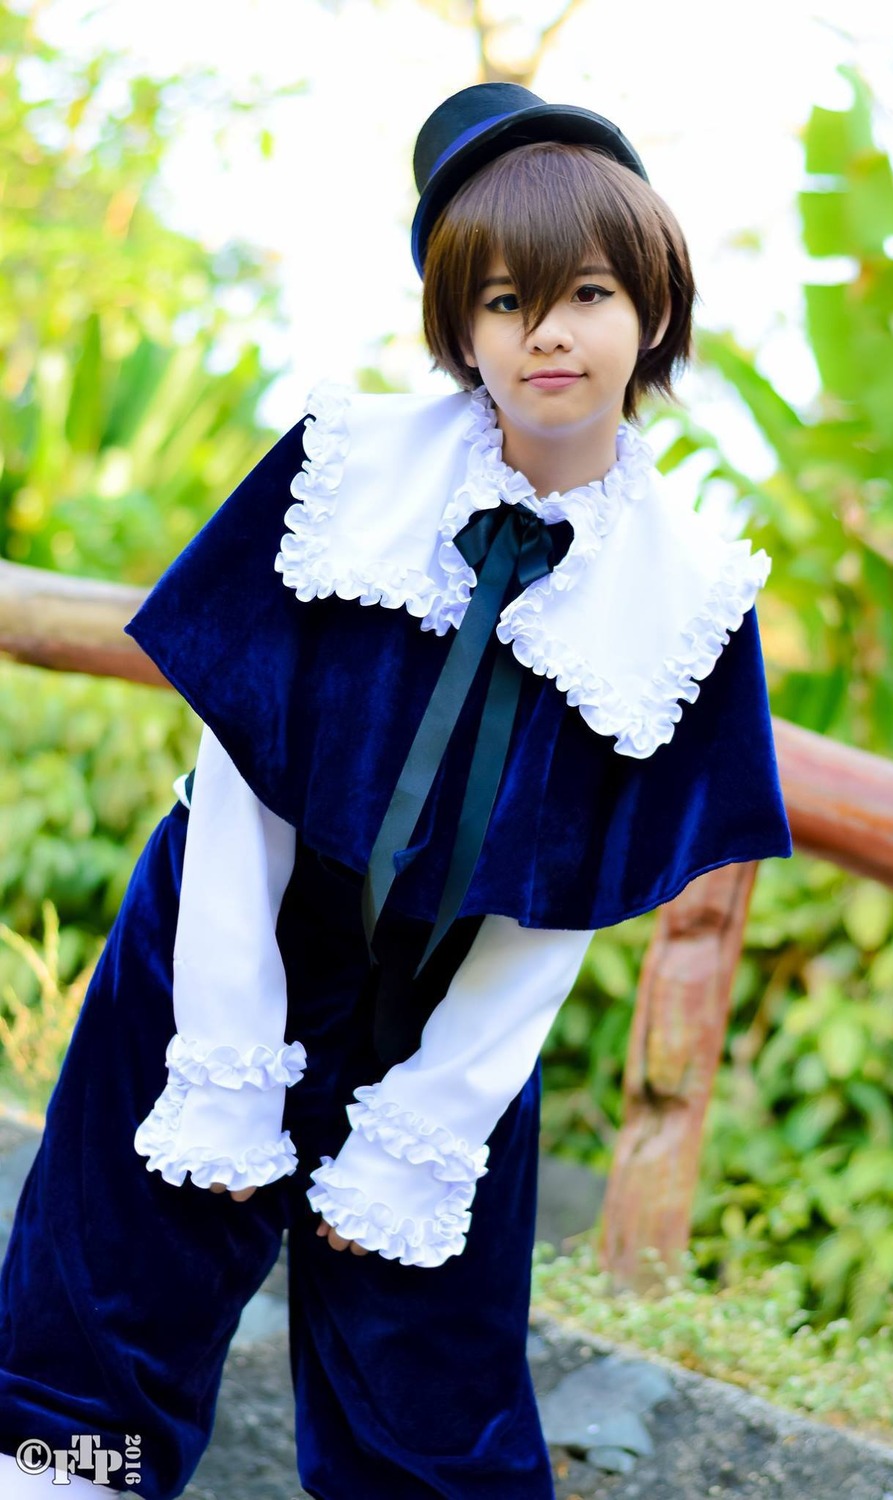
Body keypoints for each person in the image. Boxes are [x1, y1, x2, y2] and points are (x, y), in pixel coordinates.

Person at [0, 82, 791, 1499]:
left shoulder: (686, 596)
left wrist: (428, 1126)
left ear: (651, 306)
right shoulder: (343, 476)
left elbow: (564, 905)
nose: (544, 331)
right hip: (221, 946)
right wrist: (223, 1065)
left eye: (587, 291)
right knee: (91, 1343)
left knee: (433, 1421)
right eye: (499, 301)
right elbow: (239, 788)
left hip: (459, 1006)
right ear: (456, 326)